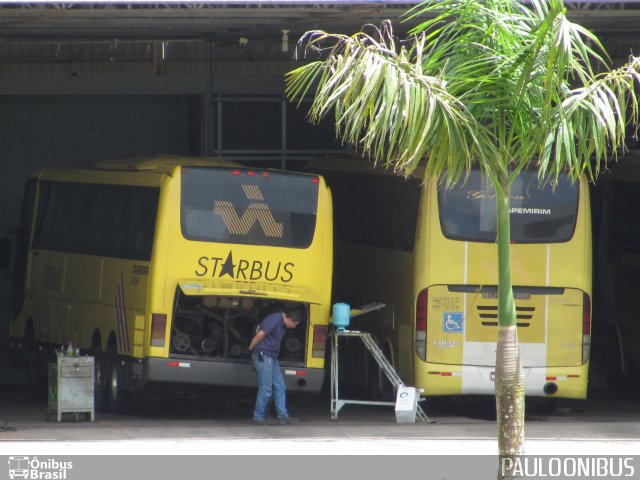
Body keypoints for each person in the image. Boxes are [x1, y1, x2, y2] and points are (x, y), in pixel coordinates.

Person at [248, 306, 303, 425]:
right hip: (263, 355)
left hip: (272, 357)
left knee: (280, 386)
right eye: (294, 324)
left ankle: (283, 416)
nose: (294, 327)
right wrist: (251, 349)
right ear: (290, 320)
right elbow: (260, 335)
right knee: (266, 388)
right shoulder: (274, 319)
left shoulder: (282, 323)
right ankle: (258, 416)